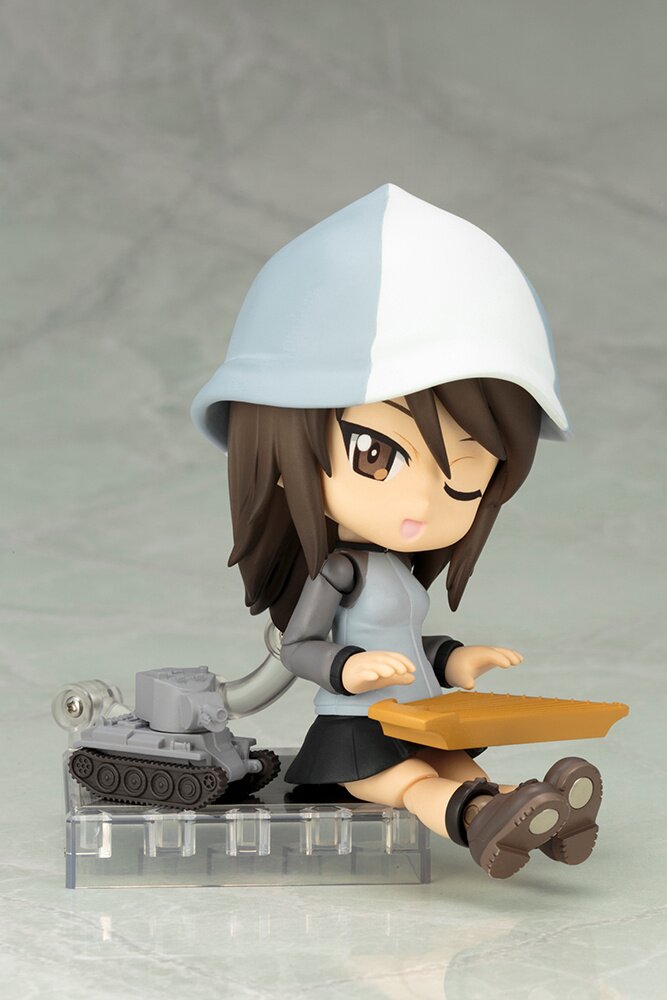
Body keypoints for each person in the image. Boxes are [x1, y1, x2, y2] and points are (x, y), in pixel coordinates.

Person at [192, 184, 602, 878]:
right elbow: (300, 646)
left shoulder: (398, 573)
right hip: (357, 729)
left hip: (416, 714)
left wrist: (453, 660)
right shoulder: (340, 572)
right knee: (410, 781)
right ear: (280, 454)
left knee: (459, 762)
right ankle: (475, 820)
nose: (422, 502)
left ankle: (536, 815)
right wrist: (347, 668)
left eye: (464, 475)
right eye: (374, 455)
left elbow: (406, 642)